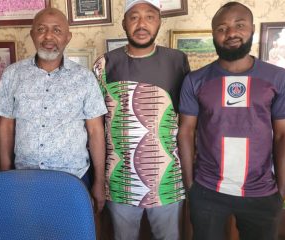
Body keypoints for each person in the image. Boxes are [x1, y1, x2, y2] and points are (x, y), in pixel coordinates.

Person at [177, 2, 285, 240]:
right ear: (213, 35)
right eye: (222, 28)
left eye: (239, 25)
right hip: (207, 189)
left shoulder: (279, 78)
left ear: (251, 28)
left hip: (261, 193)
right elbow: (186, 132)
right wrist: (191, 186)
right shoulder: (195, 80)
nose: (231, 33)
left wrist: (280, 191)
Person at [0, 8, 107, 213]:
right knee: (28, 231)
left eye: (57, 30)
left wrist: (99, 181)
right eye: (41, 29)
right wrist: (4, 172)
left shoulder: (84, 78)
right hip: (24, 178)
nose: (48, 37)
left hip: (74, 177)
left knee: (71, 231)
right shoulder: (13, 75)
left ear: (68, 37)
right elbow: (6, 127)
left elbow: (96, 131)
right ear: (32, 34)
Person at [93, 0, 190, 239]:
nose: (142, 24)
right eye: (134, 17)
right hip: (119, 178)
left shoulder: (177, 61)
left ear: (159, 22)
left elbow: (189, 123)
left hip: (167, 179)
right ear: (124, 23)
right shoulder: (105, 63)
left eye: (150, 16)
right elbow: (94, 126)